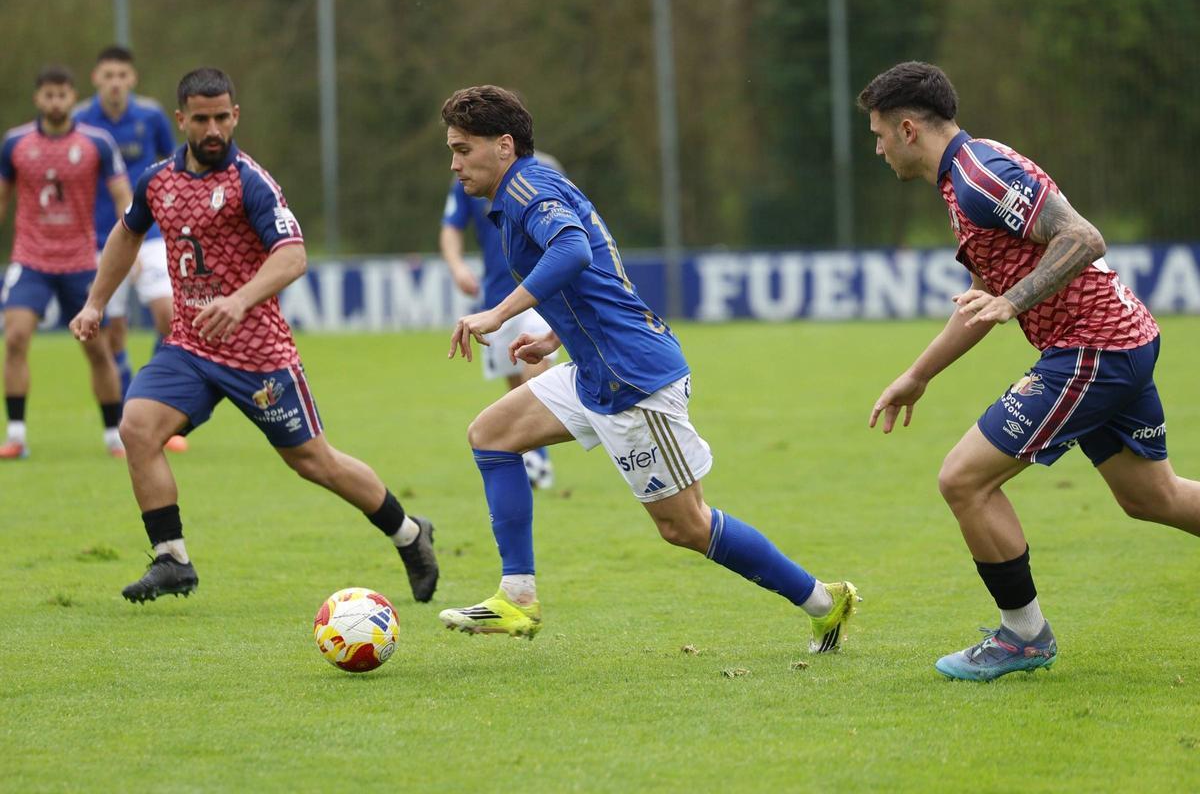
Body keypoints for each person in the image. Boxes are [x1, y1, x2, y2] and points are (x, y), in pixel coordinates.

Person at [437, 85, 859, 651]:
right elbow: (599, 281)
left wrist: (501, 312)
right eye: (452, 150)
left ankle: (825, 602)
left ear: (504, 146)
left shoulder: (531, 192)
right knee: (491, 435)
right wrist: (553, 336)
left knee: (686, 526)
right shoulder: (522, 192)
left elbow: (573, 253)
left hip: (634, 380)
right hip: (595, 369)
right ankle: (517, 598)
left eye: (464, 149)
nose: (455, 164)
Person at [860, 61, 1200, 681]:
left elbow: (1083, 237)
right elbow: (985, 296)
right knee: (1155, 498)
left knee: (964, 480)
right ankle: (1023, 635)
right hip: (1115, 343)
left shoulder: (979, 177)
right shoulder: (965, 177)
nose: (878, 149)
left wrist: (1014, 302)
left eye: (880, 134)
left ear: (908, 129)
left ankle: (1023, 636)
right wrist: (919, 374)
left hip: (1093, 350)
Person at [69, 68, 438, 604]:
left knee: (314, 462)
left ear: (236, 115)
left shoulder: (251, 182)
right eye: (202, 119)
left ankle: (409, 533)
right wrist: (95, 301)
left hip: (258, 353)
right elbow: (127, 234)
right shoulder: (157, 182)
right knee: (137, 427)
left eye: (223, 116)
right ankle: (172, 558)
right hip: (192, 347)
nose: (214, 128)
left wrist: (240, 299)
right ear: (182, 120)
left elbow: (293, 255)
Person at [0, 65, 129, 459]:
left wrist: (130, 241)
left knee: (97, 350)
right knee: (16, 337)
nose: (55, 102)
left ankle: (113, 436)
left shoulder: (97, 143)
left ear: (73, 97)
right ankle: (17, 435)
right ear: (38, 99)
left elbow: (125, 197)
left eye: (62, 95)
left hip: (80, 262)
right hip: (31, 259)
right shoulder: (15, 144)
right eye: (48, 95)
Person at [75, 46, 187, 453]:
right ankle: (128, 419)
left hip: (153, 233)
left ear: (132, 79)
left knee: (169, 316)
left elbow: (173, 168)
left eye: (122, 74)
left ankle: (163, 412)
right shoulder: (81, 123)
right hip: (100, 240)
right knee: (112, 336)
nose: (115, 82)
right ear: (96, 78)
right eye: (108, 75)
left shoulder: (152, 117)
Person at [439, 150, 564, 488]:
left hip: (540, 288)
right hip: (495, 295)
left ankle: (537, 461)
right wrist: (457, 266)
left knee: (534, 362)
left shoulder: (545, 169)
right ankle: (535, 455)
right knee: (514, 382)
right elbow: (450, 228)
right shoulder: (468, 176)